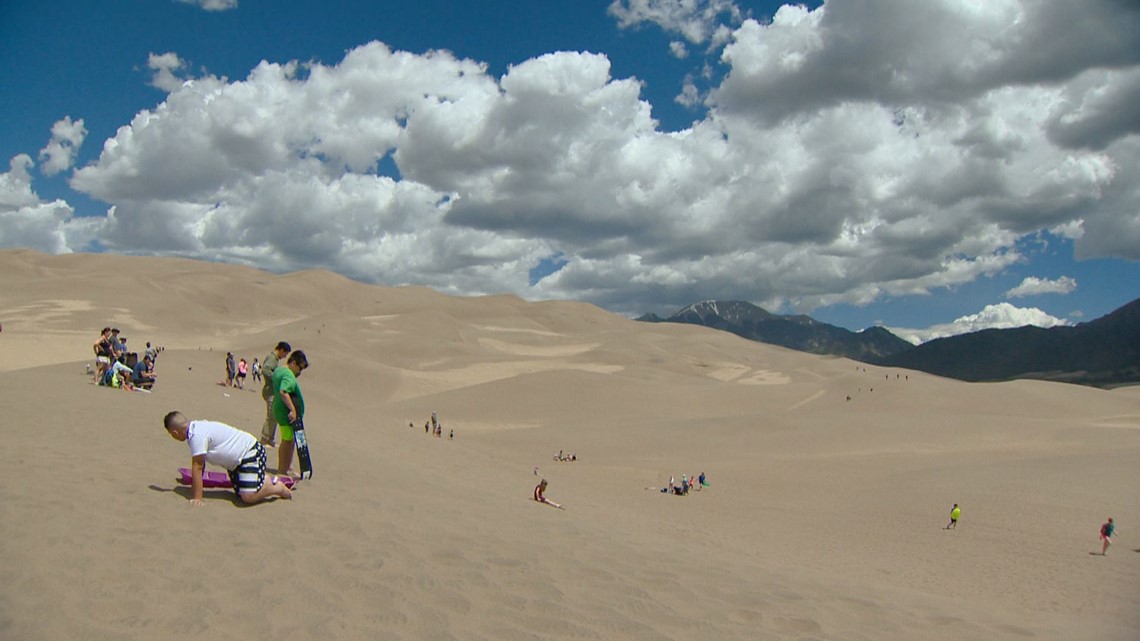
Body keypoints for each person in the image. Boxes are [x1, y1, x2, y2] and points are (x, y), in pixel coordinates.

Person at [163, 410, 292, 506]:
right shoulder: (195, 429)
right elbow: (199, 466)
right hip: (236, 464)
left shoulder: (197, 435)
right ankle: (260, 482)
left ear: (175, 432)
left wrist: (197, 498)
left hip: (250, 453)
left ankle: (276, 487)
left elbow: (197, 467)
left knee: (248, 497)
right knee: (239, 495)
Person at [272, 350, 309, 477]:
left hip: (279, 410)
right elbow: (283, 391)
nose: (300, 372)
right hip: (285, 413)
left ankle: (288, 467)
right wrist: (293, 409)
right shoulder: (288, 375)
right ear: (293, 363)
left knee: (290, 440)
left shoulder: (280, 370)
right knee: (287, 440)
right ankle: (282, 470)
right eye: (300, 368)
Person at [259, 342, 290, 447]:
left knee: (274, 416)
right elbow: (265, 370)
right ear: (281, 350)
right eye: (285, 354)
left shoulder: (274, 359)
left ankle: (270, 439)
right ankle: (264, 439)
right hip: (270, 392)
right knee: (271, 416)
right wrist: (276, 378)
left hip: (273, 392)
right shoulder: (272, 358)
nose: (285, 356)